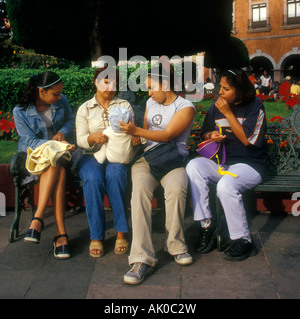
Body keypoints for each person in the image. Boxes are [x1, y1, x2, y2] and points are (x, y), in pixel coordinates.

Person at [120, 60, 195, 286]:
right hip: (149, 160)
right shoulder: (151, 104)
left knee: (176, 188)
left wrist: (137, 130)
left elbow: (168, 135)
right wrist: (135, 136)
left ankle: (176, 246)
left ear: (165, 85)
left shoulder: (185, 107)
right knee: (140, 190)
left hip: (173, 160)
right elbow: (146, 133)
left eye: (152, 87)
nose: (149, 93)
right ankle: (141, 258)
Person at [186, 68, 267, 262]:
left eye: (225, 88)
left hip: (250, 165)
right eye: (220, 87)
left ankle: (243, 239)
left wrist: (228, 113)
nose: (219, 92)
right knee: (193, 167)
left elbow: (248, 140)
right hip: (222, 163)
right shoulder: (217, 106)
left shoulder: (255, 106)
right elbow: (204, 133)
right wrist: (210, 135)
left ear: (238, 91)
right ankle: (207, 226)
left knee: (225, 186)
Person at [13, 71, 75, 259]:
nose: (59, 97)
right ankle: (60, 234)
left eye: (60, 93)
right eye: (55, 94)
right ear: (41, 92)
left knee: (55, 161)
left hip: (58, 152)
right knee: (58, 168)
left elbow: (69, 120)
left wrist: (62, 133)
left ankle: (37, 221)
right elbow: (29, 141)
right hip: (34, 156)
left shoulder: (60, 100)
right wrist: (53, 146)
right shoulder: (20, 111)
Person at [75, 67, 135, 258]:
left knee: (115, 175)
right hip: (90, 156)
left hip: (117, 155)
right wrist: (92, 138)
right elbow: (81, 140)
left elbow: (131, 130)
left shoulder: (124, 105)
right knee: (92, 179)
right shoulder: (84, 109)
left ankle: (121, 231)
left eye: (114, 83)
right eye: (105, 82)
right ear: (95, 82)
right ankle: (96, 235)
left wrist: (128, 134)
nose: (110, 88)